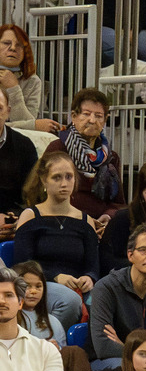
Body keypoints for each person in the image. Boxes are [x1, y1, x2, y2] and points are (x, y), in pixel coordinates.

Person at [13, 150, 102, 329]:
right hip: (39, 284)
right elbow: (22, 265)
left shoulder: (86, 220)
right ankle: (45, 342)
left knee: (102, 301)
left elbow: (93, 265)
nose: (64, 183)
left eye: (69, 177)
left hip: (77, 285)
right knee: (69, 300)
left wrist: (89, 277)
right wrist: (55, 276)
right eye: (57, 178)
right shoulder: (31, 216)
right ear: (44, 180)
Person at [90, 223, 146, 370]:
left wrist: (126, 346)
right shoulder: (106, 287)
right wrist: (143, 355)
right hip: (111, 362)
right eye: (143, 250)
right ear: (130, 255)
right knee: (126, 368)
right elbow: (103, 346)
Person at [44, 87, 125, 221]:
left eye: (98, 116)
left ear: (105, 121)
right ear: (74, 117)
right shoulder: (58, 148)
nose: (92, 120)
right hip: (64, 220)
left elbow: (118, 203)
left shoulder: (111, 157)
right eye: (86, 114)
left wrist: (107, 217)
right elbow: (43, 194)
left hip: (102, 224)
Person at [0, 88, 39, 222]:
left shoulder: (24, 145)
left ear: (8, 112)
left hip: (14, 216)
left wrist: (14, 218)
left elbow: (32, 193)